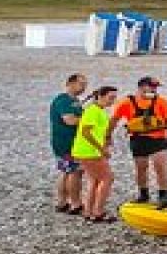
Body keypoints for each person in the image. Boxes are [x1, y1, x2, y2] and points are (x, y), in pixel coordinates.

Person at [112, 77, 167, 207]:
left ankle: (163, 196)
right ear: (142, 87)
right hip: (138, 139)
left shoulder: (161, 101)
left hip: (158, 138)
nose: (155, 89)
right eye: (152, 86)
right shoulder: (127, 102)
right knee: (141, 168)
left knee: (160, 166)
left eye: (156, 87)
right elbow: (114, 119)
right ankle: (143, 195)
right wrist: (108, 135)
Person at [72, 85, 120, 222]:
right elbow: (86, 132)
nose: (112, 101)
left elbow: (97, 131)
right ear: (100, 96)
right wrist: (101, 148)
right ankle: (98, 212)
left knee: (95, 180)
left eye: (114, 98)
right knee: (107, 178)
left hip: (86, 151)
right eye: (110, 97)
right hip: (89, 152)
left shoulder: (99, 110)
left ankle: (89, 211)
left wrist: (106, 141)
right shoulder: (93, 111)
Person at [49, 74, 87, 215]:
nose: (84, 88)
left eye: (85, 85)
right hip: (67, 143)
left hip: (65, 142)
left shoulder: (74, 101)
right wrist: (88, 119)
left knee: (65, 171)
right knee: (74, 172)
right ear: (70, 83)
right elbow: (69, 120)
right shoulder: (63, 101)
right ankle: (75, 203)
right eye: (81, 84)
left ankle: (62, 202)